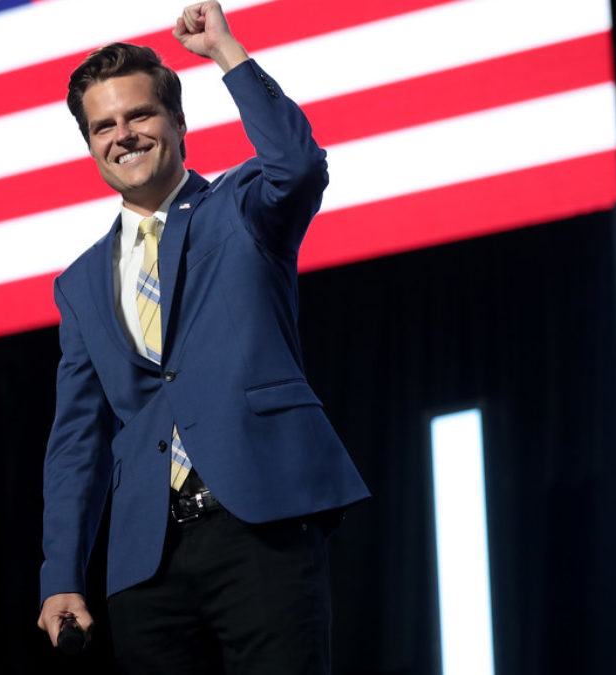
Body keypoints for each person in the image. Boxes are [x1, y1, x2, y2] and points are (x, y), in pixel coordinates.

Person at [36, 2, 369, 671]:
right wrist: (62, 572)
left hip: (261, 525)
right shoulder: (77, 283)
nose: (123, 135)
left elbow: (299, 165)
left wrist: (227, 53)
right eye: (103, 126)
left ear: (178, 121)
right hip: (147, 561)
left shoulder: (244, 207)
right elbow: (77, 443)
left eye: (139, 115)